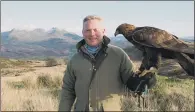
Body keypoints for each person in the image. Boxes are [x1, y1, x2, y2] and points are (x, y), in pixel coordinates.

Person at [58, 15, 157, 111]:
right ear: (83, 33)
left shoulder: (118, 55)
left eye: (96, 29)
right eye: (88, 30)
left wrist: (143, 83)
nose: (92, 34)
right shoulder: (75, 60)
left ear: (103, 31)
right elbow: (67, 91)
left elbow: (132, 82)